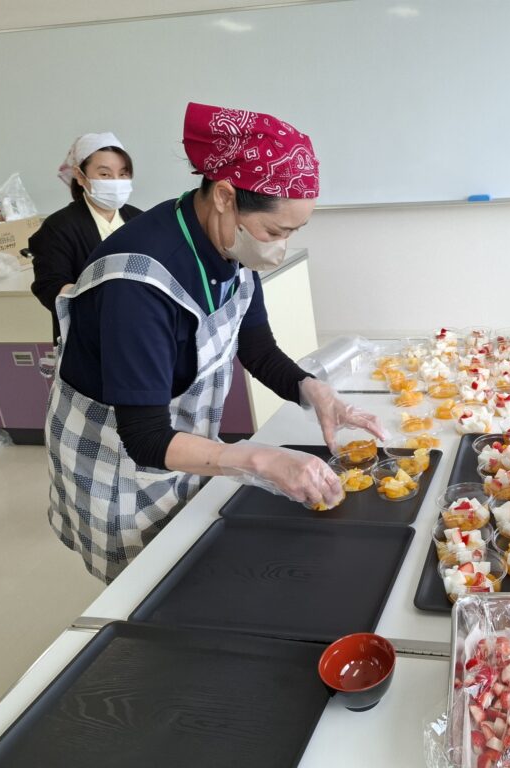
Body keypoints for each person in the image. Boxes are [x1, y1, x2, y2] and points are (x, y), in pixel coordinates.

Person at [45, 102, 384, 583]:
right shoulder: (137, 281)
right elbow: (144, 438)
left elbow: (258, 348)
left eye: (293, 232)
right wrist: (260, 459)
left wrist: (314, 391)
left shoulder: (225, 241)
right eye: (274, 230)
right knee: (145, 582)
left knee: (189, 558)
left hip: (181, 438)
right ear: (225, 195)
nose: (279, 246)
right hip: (117, 457)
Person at [29, 133, 142, 341]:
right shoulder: (59, 227)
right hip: (87, 337)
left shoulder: (139, 220)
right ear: (80, 176)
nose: (116, 182)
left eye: (123, 174)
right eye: (105, 174)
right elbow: (49, 286)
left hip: (138, 330)